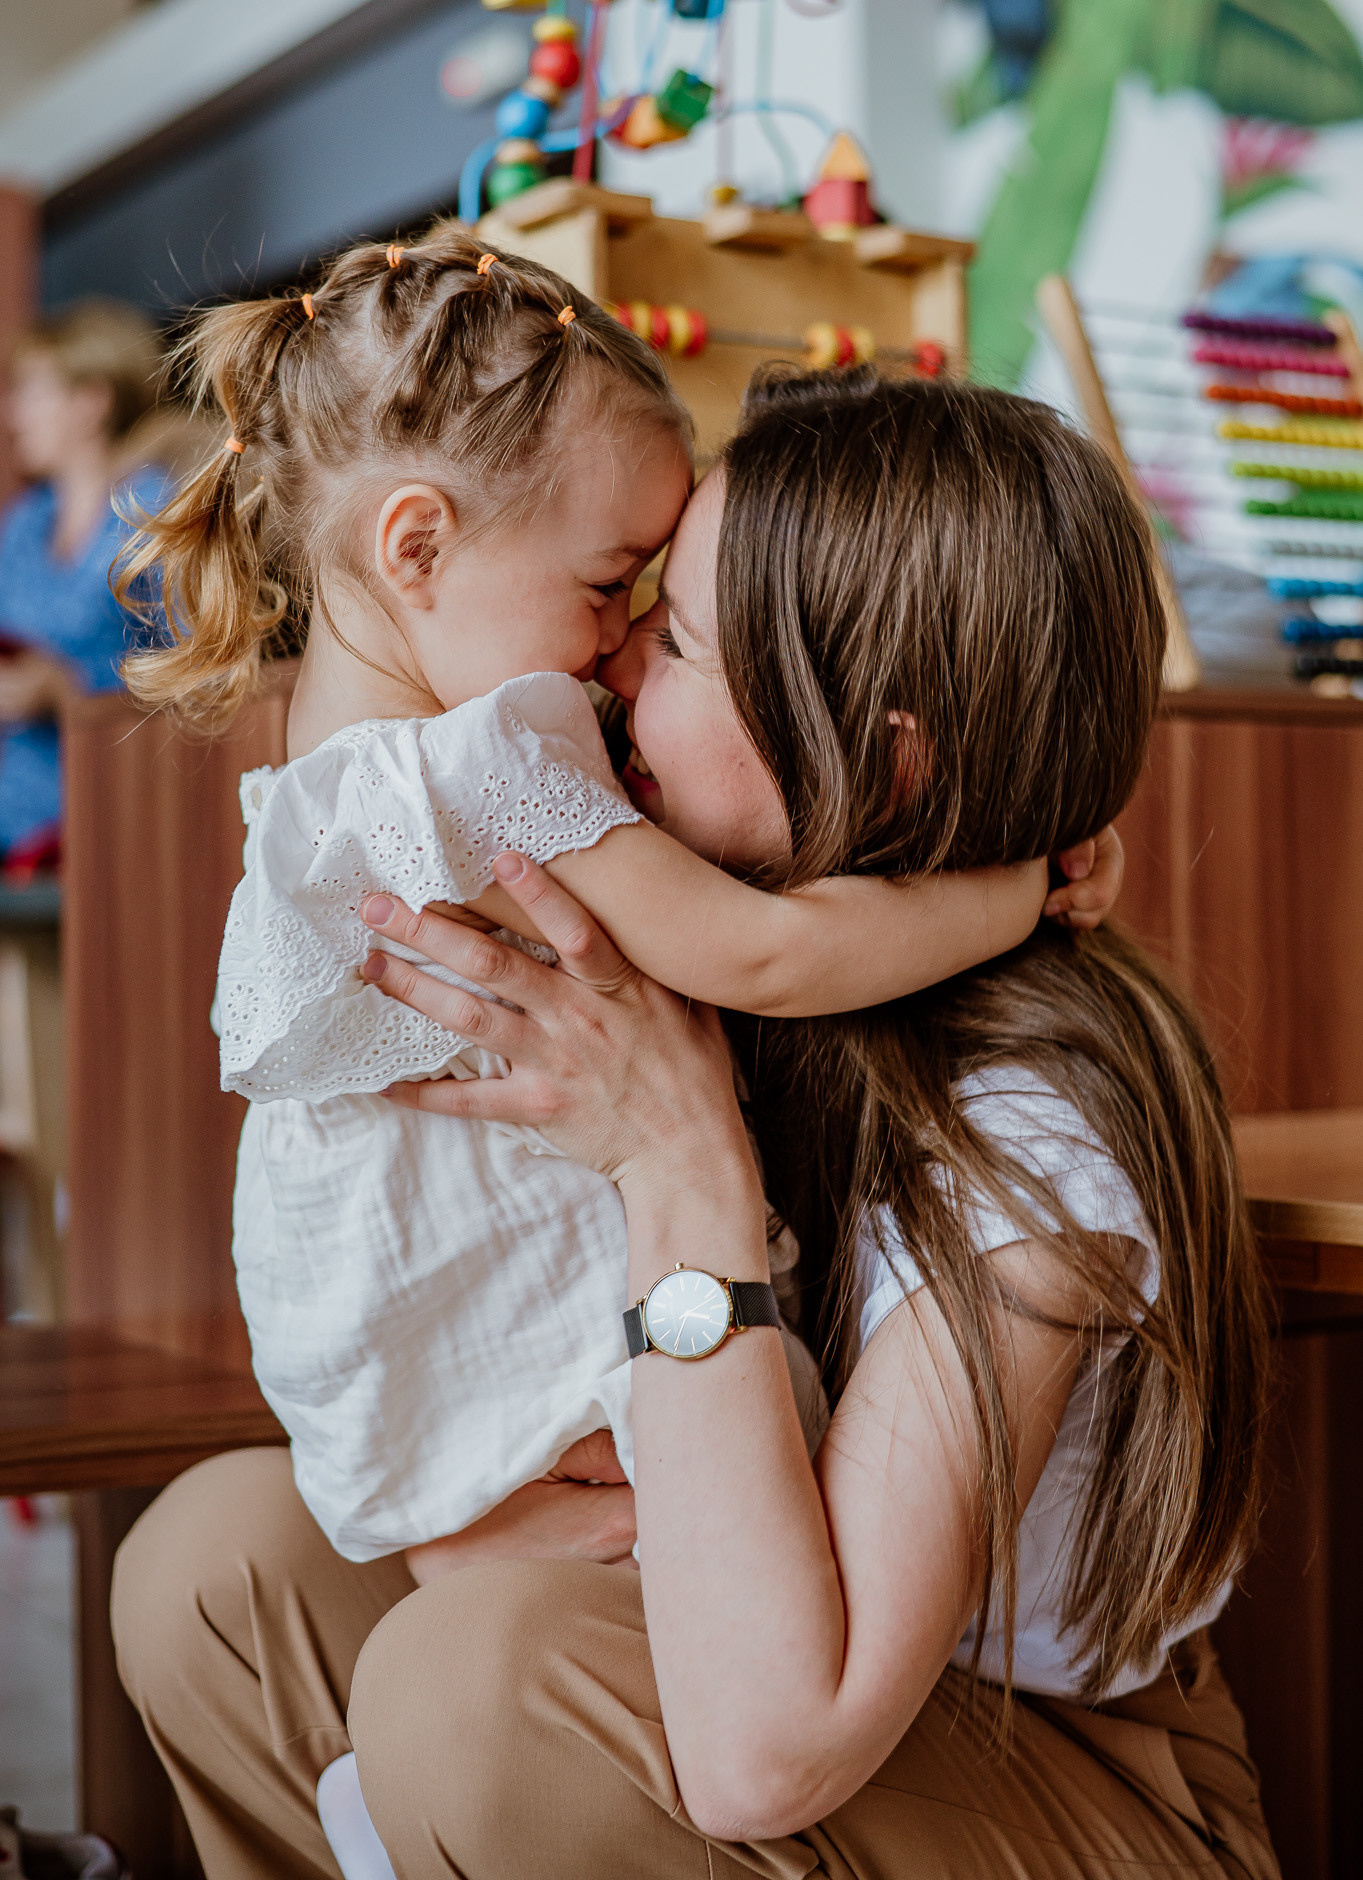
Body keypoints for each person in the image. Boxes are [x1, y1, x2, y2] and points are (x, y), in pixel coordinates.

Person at [110, 368, 1270, 1879]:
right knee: (215, 1566)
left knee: (478, 1689)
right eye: (634, 596)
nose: (612, 660)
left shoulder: (1031, 1137)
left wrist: (680, 1171)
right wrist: (444, 1530)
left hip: (1041, 1762)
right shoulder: (694, 927)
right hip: (740, 1610)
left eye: (685, 641)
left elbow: (769, 1744)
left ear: (887, 755)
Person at [0, 299, 175, 861]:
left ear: (90, 402)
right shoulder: (26, 521)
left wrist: (67, 693)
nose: (12, 415)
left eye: (30, 392)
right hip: (15, 816)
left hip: (111, 819)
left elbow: (202, 684)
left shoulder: (155, 509)